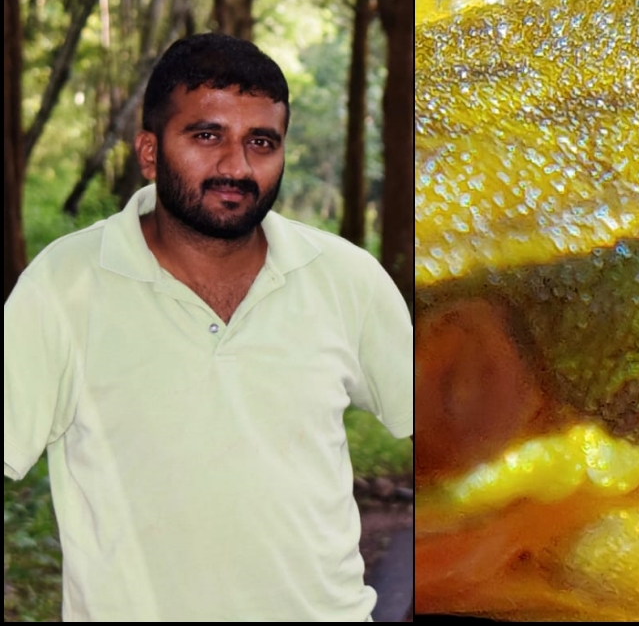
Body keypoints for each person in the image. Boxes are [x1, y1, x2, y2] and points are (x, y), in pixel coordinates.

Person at [3, 32, 414, 622]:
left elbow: (458, 442)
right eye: (206, 136)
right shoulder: (63, 286)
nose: (237, 166)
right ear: (149, 153)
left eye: (261, 142)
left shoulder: (346, 278)